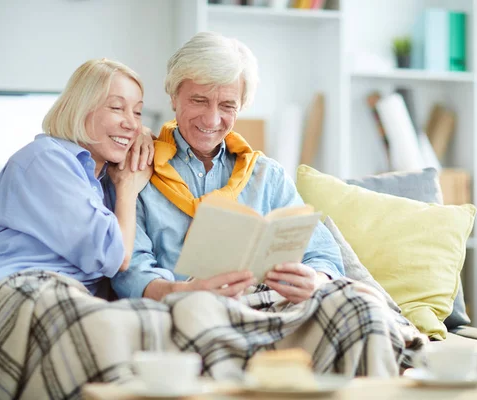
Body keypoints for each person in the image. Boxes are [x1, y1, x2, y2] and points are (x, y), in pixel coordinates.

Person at [111, 32, 345, 303]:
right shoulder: (139, 168)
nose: (211, 119)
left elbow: (323, 255)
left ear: (241, 106)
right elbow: (129, 269)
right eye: (199, 100)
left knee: (360, 306)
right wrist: (182, 293)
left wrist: (315, 281)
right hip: (180, 307)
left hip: (266, 306)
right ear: (174, 96)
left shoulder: (268, 177)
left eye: (227, 105)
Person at [0, 58, 154, 300]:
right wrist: (128, 187)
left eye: (137, 112)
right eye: (117, 108)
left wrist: (147, 135)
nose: (132, 124)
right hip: (13, 289)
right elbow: (112, 255)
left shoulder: (103, 176)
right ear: (81, 108)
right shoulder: (46, 160)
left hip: (66, 298)